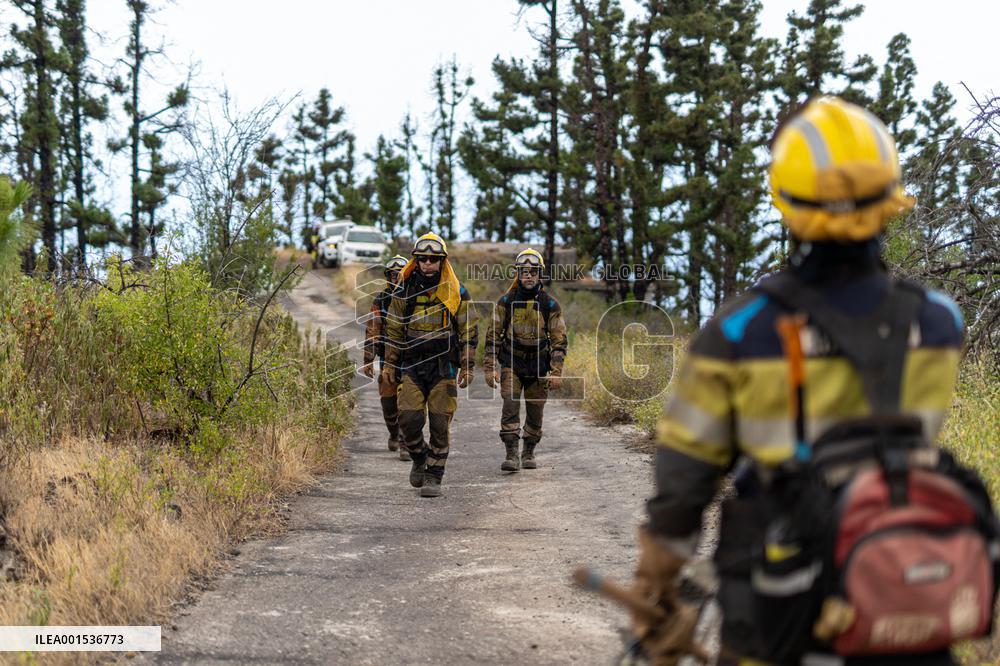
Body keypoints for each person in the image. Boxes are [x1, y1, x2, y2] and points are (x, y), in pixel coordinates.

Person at [631, 97, 977, 665]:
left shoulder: (739, 331)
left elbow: (683, 485)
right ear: (890, 196)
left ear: (786, 200)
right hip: (904, 591)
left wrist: (657, 594)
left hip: (776, 603)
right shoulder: (940, 323)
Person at [382, 233, 478, 498]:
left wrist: (468, 365)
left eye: (433, 260)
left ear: (442, 262)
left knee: (439, 423)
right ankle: (419, 457)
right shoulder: (404, 289)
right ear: (416, 260)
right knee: (409, 419)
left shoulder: (456, 291)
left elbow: (469, 329)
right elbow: (393, 329)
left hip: (443, 367)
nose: (427, 264)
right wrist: (390, 366)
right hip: (412, 365)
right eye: (422, 259)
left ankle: (434, 475)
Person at [483, 248, 567, 472]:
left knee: (535, 412)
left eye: (532, 272)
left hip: (539, 365)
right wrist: (490, 368)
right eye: (523, 271)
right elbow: (493, 336)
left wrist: (556, 372)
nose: (528, 276)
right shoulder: (506, 301)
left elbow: (559, 341)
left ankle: (528, 451)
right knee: (510, 406)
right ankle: (511, 454)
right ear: (518, 274)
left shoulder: (550, 305)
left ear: (540, 274)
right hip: (512, 363)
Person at [362, 254, 410, 460]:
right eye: (392, 275)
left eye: (400, 275)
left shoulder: (416, 296)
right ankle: (393, 432)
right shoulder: (380, 300)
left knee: (409, 402)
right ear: (387, 277)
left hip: (412, 359)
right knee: (389, 400)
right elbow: (372, 330)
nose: (396, 279)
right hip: (387, 359)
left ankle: (405, 441)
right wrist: (368, 360)